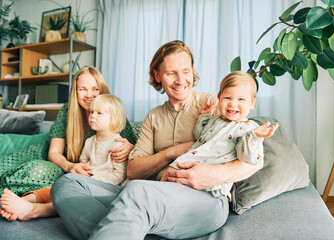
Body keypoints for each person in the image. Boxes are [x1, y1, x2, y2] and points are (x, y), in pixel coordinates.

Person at [51, 40, 264, 240]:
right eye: (172, 73)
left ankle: (130, 223)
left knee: (136, 191)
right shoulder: (154, 116)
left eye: (186, 72)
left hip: (204, 198)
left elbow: (256, 159)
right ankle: (132, 225)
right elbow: (134, 171)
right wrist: (171, 152)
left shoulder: (216, 105)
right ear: (158, 75)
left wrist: (215, 174)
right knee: (66, 184)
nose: (181, 80)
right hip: (151, 195)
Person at [0, 66, 136, 221]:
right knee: (5, 165)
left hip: (75, 175)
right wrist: (70, 166)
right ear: (75, 91)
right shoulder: (68, 111)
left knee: (38, 172)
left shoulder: (114, 114)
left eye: (95, 89)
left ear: (102, 90)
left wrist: (130, 148)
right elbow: (54, 153)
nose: (89, 95)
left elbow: (135, 153)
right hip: (56, 158)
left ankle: (23, 203)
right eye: (82, 89)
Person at [164, 71, 278, 198]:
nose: (232, 103)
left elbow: (248, 158)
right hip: (189, 163)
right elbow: (199, 136)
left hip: (212, 184)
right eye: (227, 98)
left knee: (175, 190)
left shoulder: (249, 128)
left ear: (251, 103)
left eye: (241, 99)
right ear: (219, 98)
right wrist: (204, 117)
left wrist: (253, 136)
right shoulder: (216, 119)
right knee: (167, 178)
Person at [79, 94, 128, 185]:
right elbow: (83, 163)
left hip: (106, 185)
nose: (93, 116)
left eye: (99, 113)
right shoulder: (89, 141)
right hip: (87, 180)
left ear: (114, 118)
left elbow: (120, 175)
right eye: (92, 112)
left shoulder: (118, 144)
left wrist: (93, 180)